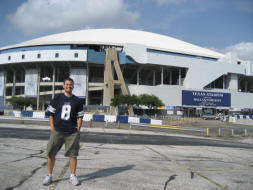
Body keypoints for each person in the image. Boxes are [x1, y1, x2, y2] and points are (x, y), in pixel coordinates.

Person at [43, 77, 84, 186]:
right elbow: (50, 114)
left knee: (73, 155)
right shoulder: (56, 98)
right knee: (51, 153)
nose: (68, 86)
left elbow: (80, 116)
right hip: (58, 130)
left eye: (70, 84)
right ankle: (49, 175)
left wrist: (78, 129)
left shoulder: (77, 101)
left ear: (73, 86)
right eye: (67, 84)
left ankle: (73, 176)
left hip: (72, 132)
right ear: (63, 85)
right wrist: (52, 128)